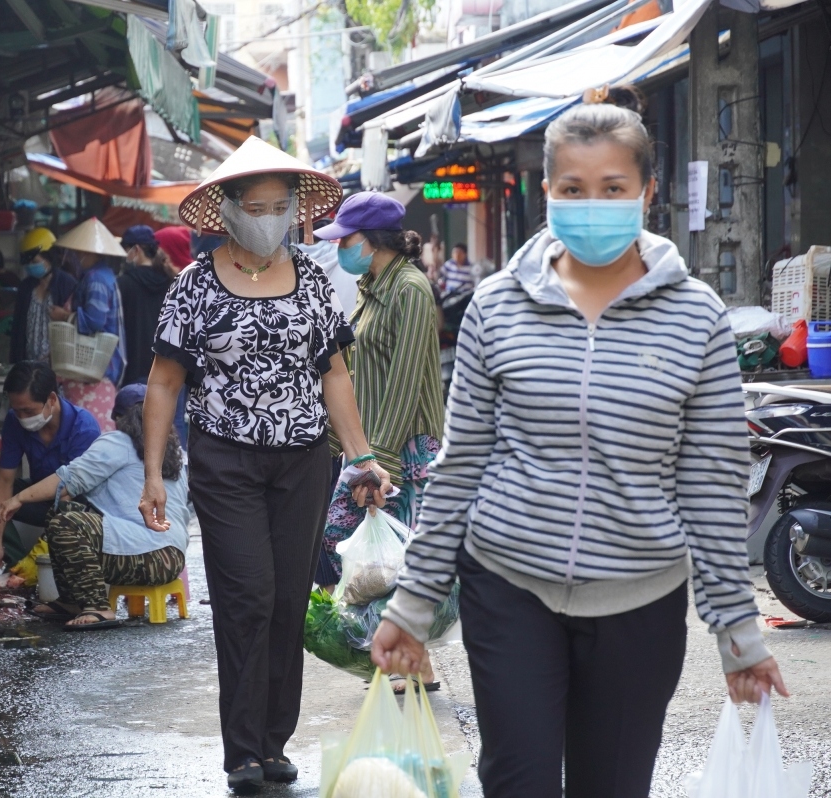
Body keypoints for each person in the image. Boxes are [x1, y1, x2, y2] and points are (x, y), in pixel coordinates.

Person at [371, 93, 788, 798]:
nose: (592, 202)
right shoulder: (497, 306)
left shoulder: (698, 319)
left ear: (647, 194)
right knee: (519, 780)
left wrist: (737, 631)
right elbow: (462, 461)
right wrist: (414, 604)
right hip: (509, 584)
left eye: (613, 188)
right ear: (548, 193)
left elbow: (712, 483)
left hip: (640, 597)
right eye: (573, 188)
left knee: (613, 785)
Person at [138, 136, 393, 793]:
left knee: (284, 600)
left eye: (282, 205)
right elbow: (164, 383)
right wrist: (151, 474)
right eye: (258, 205)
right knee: (246, 593)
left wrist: (361, 457)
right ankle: (241, 750)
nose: (271, 216)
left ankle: (273, 742)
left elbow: (334, 373)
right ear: (228, 209)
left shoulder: (312, 279)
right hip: (225, 460)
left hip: (304, 461)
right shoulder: (193, 286)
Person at [313, 192, 443, 585]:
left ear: (370, 240)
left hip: (403, 447)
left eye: (345, 239)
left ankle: (394, 644)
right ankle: (373, 645)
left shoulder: (410, 288)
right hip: (370, 446)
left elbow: (405, 383)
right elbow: (354, 373)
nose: (339, 247)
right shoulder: (371, 285)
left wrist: (377, 466)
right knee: (364, 568)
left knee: (382, 565)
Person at [0, 384, 189, 630]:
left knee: (66, 522)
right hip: (170, 558)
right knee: (63, 513)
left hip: (148, 556)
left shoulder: (119, 442)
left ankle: (97, 606)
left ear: (119, 418)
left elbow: (68, 480)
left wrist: (18, 498)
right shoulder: (175, 452)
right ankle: (71, 601)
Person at [0, 360, 101, 569]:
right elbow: (5, 479)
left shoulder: (84, 428)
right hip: (38, 501)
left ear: (52, 399)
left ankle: (39, 567)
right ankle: (14, 562)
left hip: (76, 507)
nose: (22, 418)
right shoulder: (14, 421)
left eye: (28, 411)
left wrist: (19, 499)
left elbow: (69, 490)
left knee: (69, 505)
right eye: (16, 411)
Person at [55, 217, 127, 432]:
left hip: (96, 371)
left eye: (78, 253)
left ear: (91, 253)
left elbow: (95, 321)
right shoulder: (102, 276)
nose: (74, 258)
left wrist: (64, 316)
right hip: (100, 370)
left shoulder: (96, 280)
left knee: (90, 434)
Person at [10, 227, 77, 364]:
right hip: (27, 364)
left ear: (49, 257)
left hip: (58, 365)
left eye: (35, 262)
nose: (30, 266)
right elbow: (17, 329)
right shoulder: (25, 287)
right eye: (27, 263)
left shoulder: (67, 285)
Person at [118, 225, 173, 387]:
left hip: (132, 369)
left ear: (136, 249)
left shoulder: (123, 283)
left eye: (126, 249)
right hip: (166, 367)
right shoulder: (171, 281)